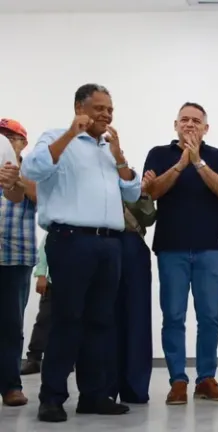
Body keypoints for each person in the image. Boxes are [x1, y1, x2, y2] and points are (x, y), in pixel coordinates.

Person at [21, 83, 141, 422]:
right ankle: (52, 398)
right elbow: (33, 170)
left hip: (110, 243)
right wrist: (70, 134)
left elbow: (132, 194)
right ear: (79, 108)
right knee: (67, 319)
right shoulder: (56, 137)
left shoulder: (108, 149)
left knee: (101, 322)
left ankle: (94, 395)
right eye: (99, 108)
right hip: (71, 240)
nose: (106, 115)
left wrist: (120, 157)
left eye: (110, 110)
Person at [143, 102, 218, 405]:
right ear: (175, 125)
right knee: (173, 316)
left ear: (206, 128)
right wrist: (182, 164)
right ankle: (178, 381)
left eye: (196, 121)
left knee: (210, 317)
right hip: (172, 248)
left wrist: (198, 162)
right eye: (185, 119)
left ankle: (206, 378)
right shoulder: (159, 154)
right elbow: (152, 191)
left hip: (209, 248)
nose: (190, 124)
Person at [107, 173, 157, 404]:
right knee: (103, 318)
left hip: (131, 243)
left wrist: (143, 192)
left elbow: (148, 217)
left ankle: (135, 387)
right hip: (101, 242)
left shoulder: (129, 177)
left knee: (137, 318)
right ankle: (105, 387)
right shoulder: (87, 174)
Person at [0, 118, 36, 408]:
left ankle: (11, 386)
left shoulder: (32, 170)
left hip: (16, 256)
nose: (5, 142)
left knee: (11, 325)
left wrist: (17, 179)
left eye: (11, 137)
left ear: (23, 143)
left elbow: (41, 199)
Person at [21, 234, 51, 376]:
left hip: (80, 284)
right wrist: (41, 275)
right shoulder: (57, 227)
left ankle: (67, 360)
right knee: (44, 320)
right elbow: (43, 251)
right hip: (54, 283)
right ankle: (34, 359)